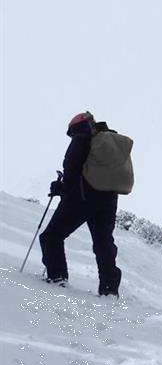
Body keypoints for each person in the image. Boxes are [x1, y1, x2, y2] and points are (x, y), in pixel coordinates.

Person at [40, 112, 122, 296]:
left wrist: (61, 188)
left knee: (51, 236)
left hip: (83, 196)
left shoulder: (82, 137)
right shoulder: (110, 141)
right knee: (103, 243)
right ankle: (109, 289)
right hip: (109, 198)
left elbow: (72, 165)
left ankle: (57, 277)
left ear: (76, 126)